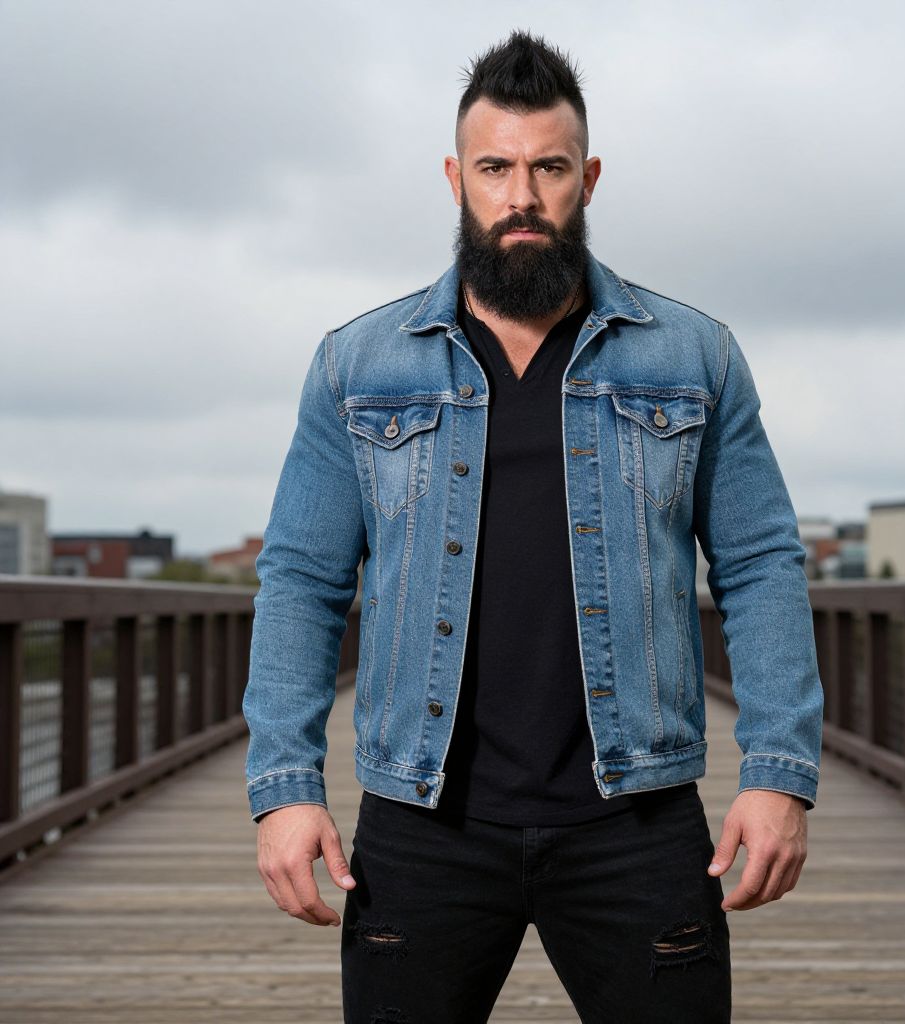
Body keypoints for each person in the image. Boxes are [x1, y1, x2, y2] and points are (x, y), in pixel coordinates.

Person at [242, 29, 824, 1024]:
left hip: (632, 818)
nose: (522, 196)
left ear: (587, 178)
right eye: (495, 168)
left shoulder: (693, 355)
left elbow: (762, 564)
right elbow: (301, 579)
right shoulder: (357, 364)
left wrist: (780, 773)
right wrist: (285, 787)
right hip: (423, 820)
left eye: (548, 168)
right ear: (454, 177)